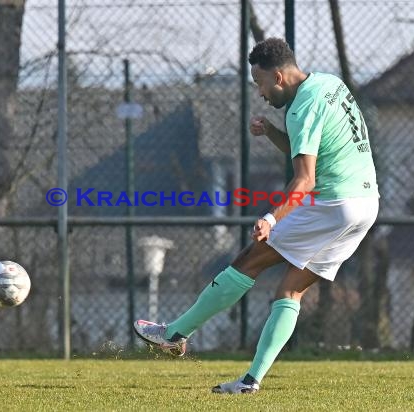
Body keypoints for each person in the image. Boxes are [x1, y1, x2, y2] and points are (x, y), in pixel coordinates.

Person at [133, 37, 379, 394]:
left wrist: (272, 218)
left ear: (278, 76)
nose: (260, 93)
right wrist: (271, 134)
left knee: (248, 260)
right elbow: (311, 151)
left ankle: (174, 334)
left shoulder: (302, 108)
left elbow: (305, 179)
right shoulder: (330, 84)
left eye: (259, 83)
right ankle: (250, 382)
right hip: (366, 205)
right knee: (291, 288)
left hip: (334, 203)